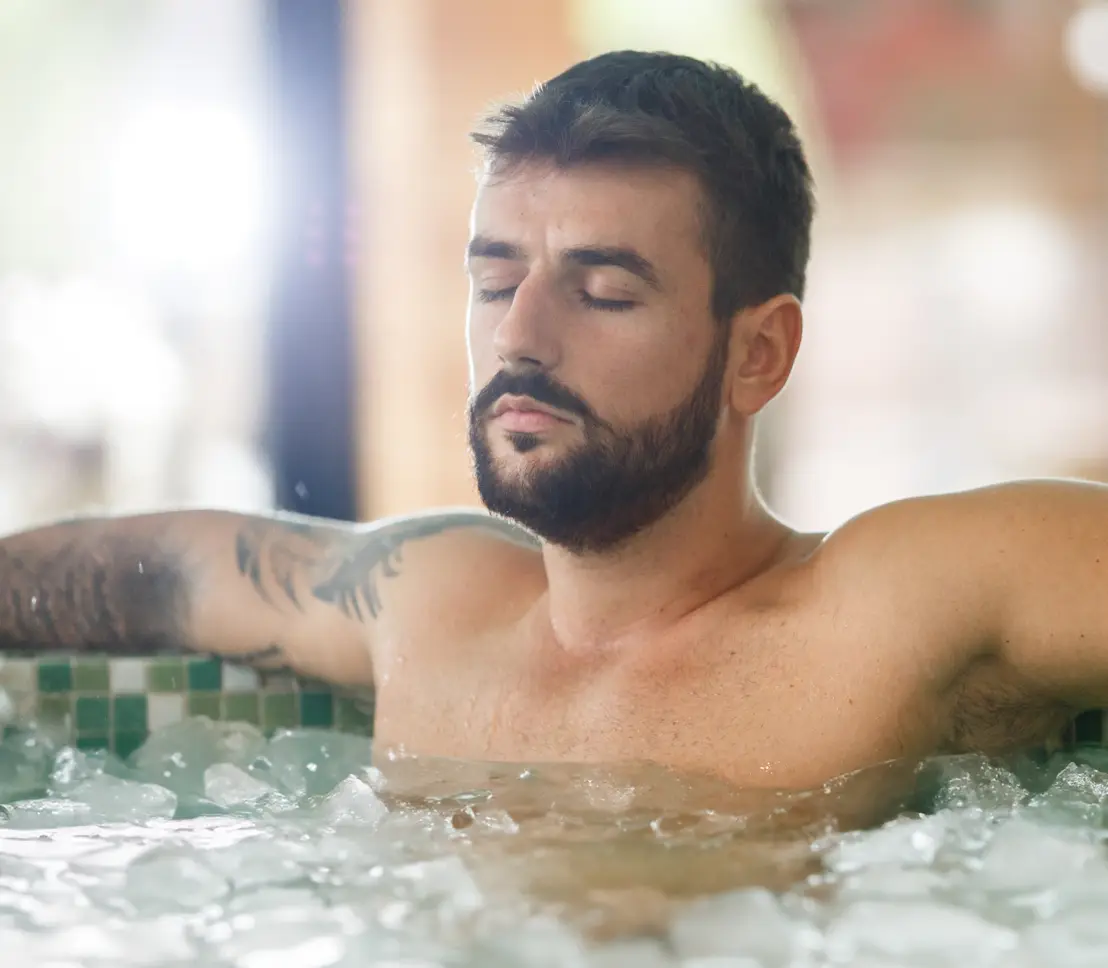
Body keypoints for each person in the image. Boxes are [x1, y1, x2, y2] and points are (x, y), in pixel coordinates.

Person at [1, 50, 1106, 794]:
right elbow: (140, 568)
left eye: (605, 290)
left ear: (756, 351)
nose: (522, 334)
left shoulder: (893, 602)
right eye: (494, 281)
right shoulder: (427, 600)